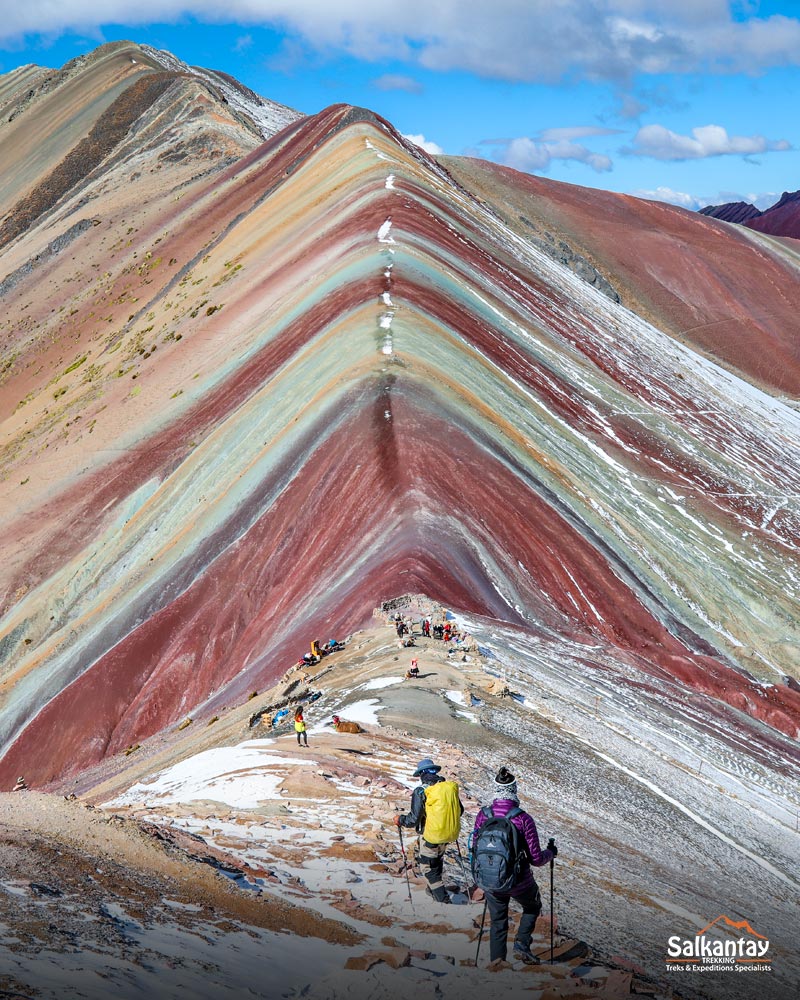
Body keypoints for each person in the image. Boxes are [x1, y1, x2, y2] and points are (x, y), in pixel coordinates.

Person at [472, 767, 556, 965]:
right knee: (532, 906)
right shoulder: (522, 818)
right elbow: (536, 858)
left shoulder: (483, 815)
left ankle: (497, 963)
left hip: (490, 880)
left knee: (498, 921)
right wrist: (551, 853)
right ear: (514, 790)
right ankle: (522, 944)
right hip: (520, 881)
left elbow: (474, 848)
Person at [394, 758, 463, 903]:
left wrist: (400, 820)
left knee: (427, 868)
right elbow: (460, 810)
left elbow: (413, 820)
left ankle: (442, 900)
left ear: (421, 774)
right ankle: (433, 891)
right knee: (437, 862)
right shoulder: (448, 788)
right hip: (448, 834)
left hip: (430, 836)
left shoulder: (421, 791)